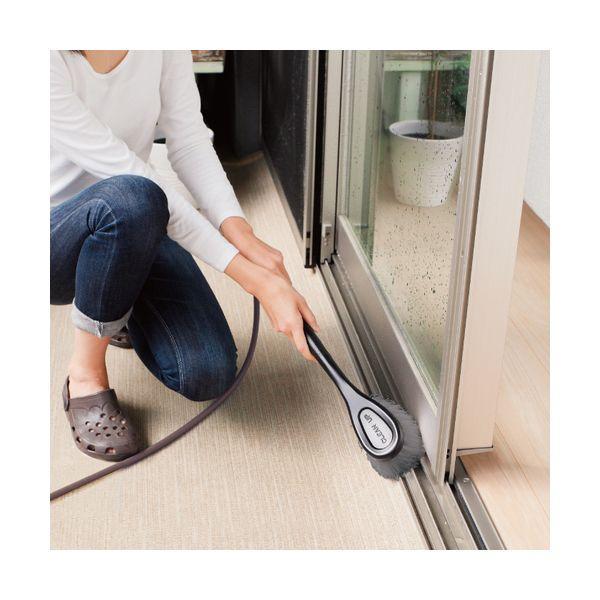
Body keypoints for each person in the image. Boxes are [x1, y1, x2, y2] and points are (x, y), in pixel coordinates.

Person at [50, 50, 319, 462]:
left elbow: (189, 140)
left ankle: (115, 299)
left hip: (137, 224)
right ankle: (84, 375)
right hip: (53, 235)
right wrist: (256, 280)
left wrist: (244, 237)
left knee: (207, 372)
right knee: (131, 196)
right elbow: (131, 175)